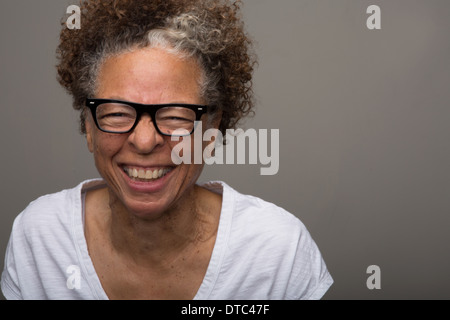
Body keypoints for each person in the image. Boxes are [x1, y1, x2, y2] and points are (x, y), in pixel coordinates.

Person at [1, 0, 332, 300]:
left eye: (175, 116)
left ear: (211, 130)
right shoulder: (38, 240)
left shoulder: (278, 253)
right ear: (89, 127)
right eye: (116, 113)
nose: (145, 142)